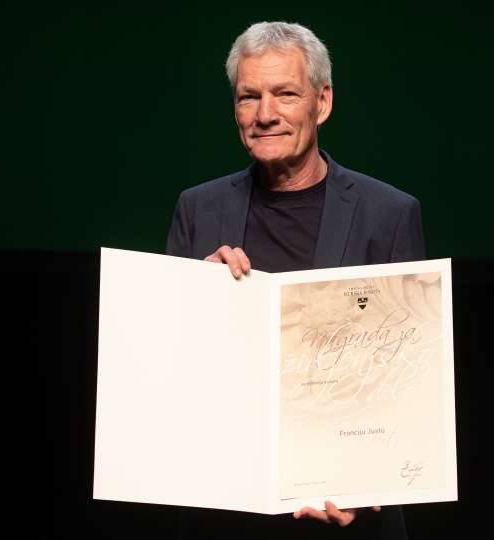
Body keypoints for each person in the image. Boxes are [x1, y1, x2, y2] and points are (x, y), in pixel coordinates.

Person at [166, 21, 425, 539]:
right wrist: (197, 301)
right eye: (249, 97)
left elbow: (409, 383)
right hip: (228, 512)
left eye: (285, 94)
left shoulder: (388, 214)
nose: (265, 114)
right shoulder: (198, 209)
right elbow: (168, 370)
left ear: (321, 102)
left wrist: (364, 488)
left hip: (348, 518)